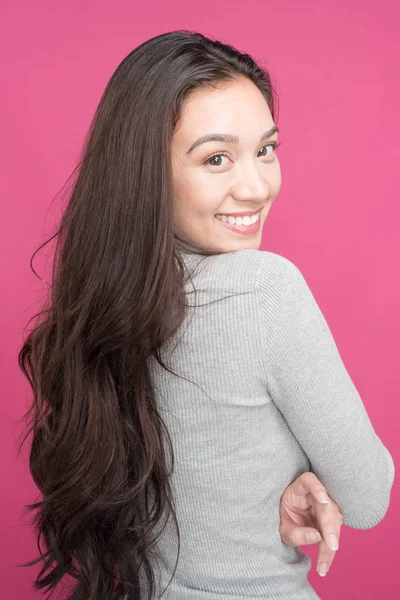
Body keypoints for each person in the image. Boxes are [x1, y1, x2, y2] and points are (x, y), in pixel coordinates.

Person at [16, 30, 394, 600]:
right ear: (148, 173)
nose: (256, 185)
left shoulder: (105, 302)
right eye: (216, 158)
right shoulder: (265, 291)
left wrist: (285, 484)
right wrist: (308, 479)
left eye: (266, 149)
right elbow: (367, 497)